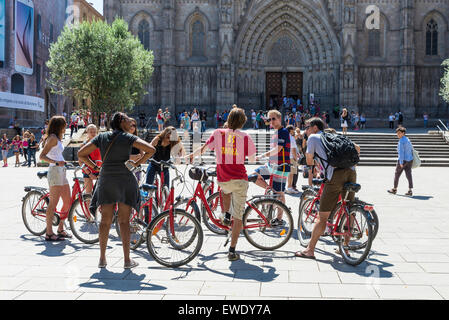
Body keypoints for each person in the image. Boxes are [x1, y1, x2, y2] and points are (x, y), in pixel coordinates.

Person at [78, 112, 156, 269]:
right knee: (124, 221)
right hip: (124, 179)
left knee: (105, 221)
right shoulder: (128, 138)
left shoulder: (102, 137)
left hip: (106, 179)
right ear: (121, 122)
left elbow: (81, 154)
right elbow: (151, 149)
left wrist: (94, 167)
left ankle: (102, 259)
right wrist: (136, 164)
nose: (130, 123)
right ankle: (127, 260)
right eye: (128, 120)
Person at [188, 107, 257, 261]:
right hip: (239, 178)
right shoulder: (246, 137)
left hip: (223, 178)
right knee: (238, 216)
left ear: (228, 119)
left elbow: (204, 149)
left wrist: (191, 155)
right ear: (243, 121)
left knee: (224, 190)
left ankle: (226, 214)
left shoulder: (218, 133)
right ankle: (232, 250)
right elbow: (252, 158)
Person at [295, 117, 360, 260]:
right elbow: (357, 148)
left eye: (307, 127)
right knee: (348, 209)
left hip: (335, 175)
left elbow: (309, 160)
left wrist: (314, 165)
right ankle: (346, 248)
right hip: (351, 172)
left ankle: (310, 250)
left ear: (315, 128)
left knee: (322, 217)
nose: (305, 130)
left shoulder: (313, 138)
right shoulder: (334, 136)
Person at [253, 110, 291, 225]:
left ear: (280, 119)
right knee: (254, 175)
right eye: (269, 119)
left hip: (281, 167)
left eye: (273, 119)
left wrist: (262, 155)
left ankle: (279, 219)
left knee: (280, 194)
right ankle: (270, 190)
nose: (271, 121)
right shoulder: (275, 132)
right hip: (271, 166)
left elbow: (278, 149)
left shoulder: (283, 132)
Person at [39, 116, 72, 241]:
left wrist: (62, 161)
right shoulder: (52, 138)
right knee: (53, 203)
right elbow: (42, 156)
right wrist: (57, 162)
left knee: (67, 201)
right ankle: (48, 232)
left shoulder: (57, 138)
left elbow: (57, 154)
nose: (66, 126)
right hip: (55, 171)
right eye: (64, 124)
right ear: (59, 125)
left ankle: (60, 228)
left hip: (61, 172)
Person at [388, 127, 414, 196]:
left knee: (397, 174)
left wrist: (401, 162)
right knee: (409, 175)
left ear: (403, 133)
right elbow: (411, 149)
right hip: (409, 160)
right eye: (397, 133)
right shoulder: (408, 139)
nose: (398, 134)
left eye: (399, 133)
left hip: (403, 160)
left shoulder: (401, 141)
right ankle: (410, 190)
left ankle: (394, 189)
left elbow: (401, 153)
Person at [79, 124, 101, 205]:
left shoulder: (100, 144)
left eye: (94, 131)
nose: (93, 133)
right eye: (91, 131)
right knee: (88, 194)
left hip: (99, 171)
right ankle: (88, 216)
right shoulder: (84, 145)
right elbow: (80, 162)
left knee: (101, 193)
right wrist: (89, 173)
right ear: (87, 132)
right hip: (88, 171)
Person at [286, 125, 300, 194]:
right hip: (291, 157)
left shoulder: (285, 137)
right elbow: (293, 150)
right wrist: (296, 159)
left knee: (288, 173)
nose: (294, 131)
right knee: (291, 174)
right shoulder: (291, 138)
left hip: (285, 157)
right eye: (293, 130)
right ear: (290, 130)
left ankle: (289, 187)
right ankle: (289, 187)